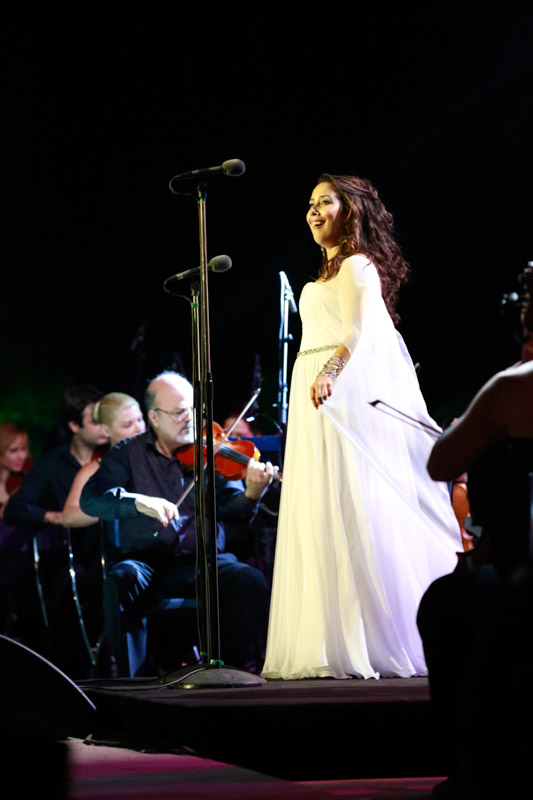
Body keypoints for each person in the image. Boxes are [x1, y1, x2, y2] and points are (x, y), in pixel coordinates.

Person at [261, 173, 462, 681]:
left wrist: (329, 374)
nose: (313, 211)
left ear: (349, 211)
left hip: (336, 394)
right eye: (309, 203)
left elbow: (360, 329)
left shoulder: (357, 266)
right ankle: (324, 640)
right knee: (319, 509)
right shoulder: (321, 276)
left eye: (324, 202)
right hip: (312, 397)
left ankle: (370, 637)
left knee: (352, 504)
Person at [80, 371, 275, 676]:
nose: (190, 418)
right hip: (148, 565)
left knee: (251, 582)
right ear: (154, 417)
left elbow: (233, 509)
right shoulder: (127, 453)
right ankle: (133, 685)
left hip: (206, 566)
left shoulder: (209, 451)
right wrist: (137, 502)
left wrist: (251, 494)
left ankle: (235, 676)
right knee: (119, 580)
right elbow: (91, 498)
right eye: (180, 412)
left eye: (194, 410)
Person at [418, 360, 533, 799]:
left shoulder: (514, 386)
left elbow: (441, 461)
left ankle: (471, 770)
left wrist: (475, 423)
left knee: (447, 602)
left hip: (521, 574)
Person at [4, 384, 109, 675]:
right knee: (60, 587)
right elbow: (17, 508)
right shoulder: (53, 462)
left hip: (112, 554)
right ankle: (69, 675)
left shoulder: (116, 457)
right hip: (74, 558)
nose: (105, 427)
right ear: (74, 425)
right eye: (95, 420)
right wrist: (55, 516)